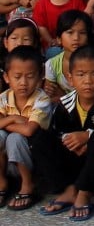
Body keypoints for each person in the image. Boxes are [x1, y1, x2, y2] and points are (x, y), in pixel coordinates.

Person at [34, 45, 94, 221]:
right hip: (72, 159)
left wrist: (87, 137)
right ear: (70, 79)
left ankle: (84, 192)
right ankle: (69, 189)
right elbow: (57, 132)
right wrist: (70, 141)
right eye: (81, 75)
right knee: (40, 138)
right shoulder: (63, 105)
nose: (88, 81)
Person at [0, 46, 51, 211]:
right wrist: (14, 118)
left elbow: (29, 130)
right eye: (17, 77)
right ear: (7, 77)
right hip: (8, 161)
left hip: (32, 159)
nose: (23, 82)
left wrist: (6, 122)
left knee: (14, 138)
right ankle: (1, 182)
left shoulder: (41, 99)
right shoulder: (4, 97)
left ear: (40, 77)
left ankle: (28, 184)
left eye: (30, 76)